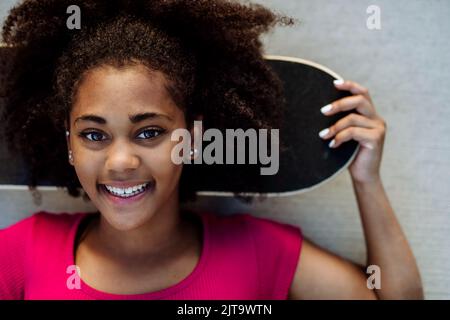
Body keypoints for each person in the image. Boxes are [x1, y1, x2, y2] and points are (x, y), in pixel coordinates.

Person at [0, 0, 423, 299]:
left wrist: (367, 179)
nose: (121, 161)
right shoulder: (23, 252)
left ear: (194, 139)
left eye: (149, 132)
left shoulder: (256, 252)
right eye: (93, 135)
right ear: (68, 144)